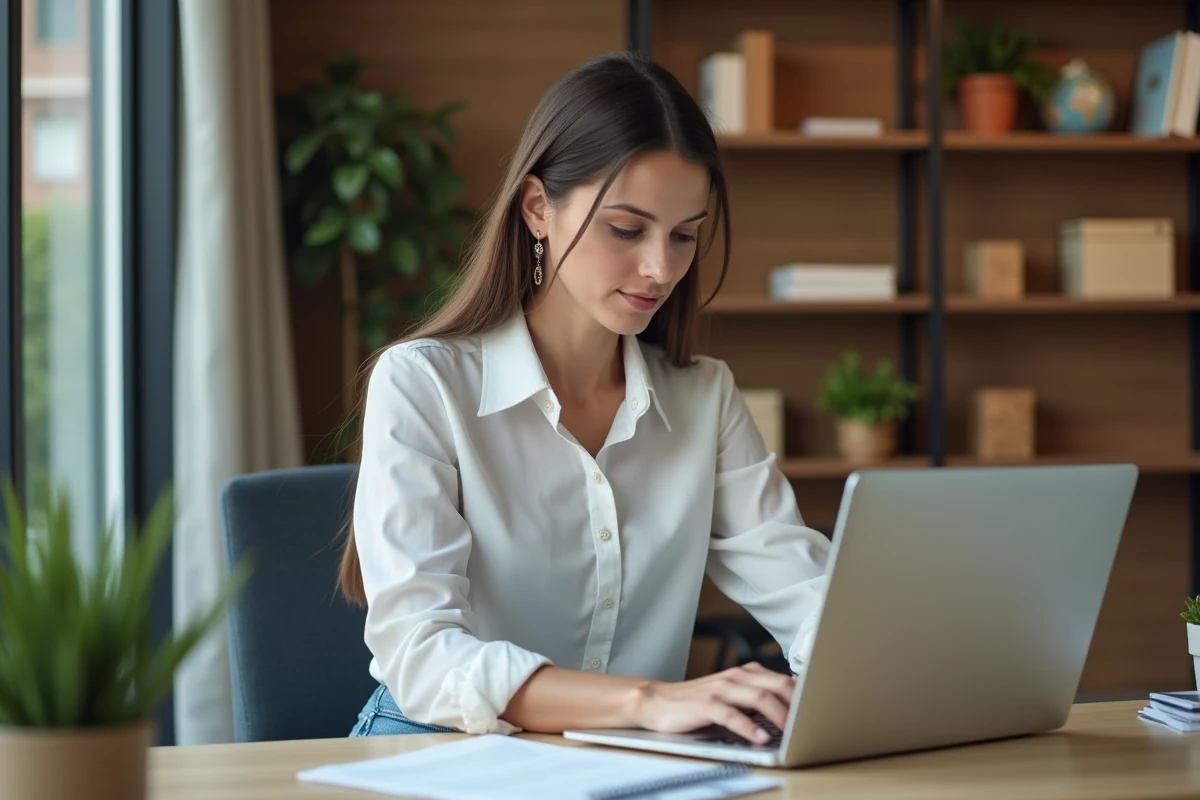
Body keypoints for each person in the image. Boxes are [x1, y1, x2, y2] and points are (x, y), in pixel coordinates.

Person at [340, 51, 830, 745]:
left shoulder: (703, 397)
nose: (661, 268)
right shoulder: (424, 383)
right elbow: (419, 655)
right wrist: (650, 701)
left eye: (685, 235)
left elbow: (807, 594)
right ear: (539, 208)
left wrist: (865, 678)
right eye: (626, 229)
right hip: (437, 745)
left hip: (618, 762)